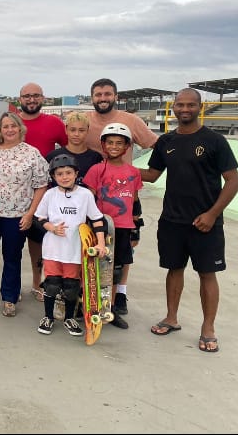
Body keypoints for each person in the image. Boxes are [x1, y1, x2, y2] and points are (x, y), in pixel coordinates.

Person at [141, 88, 238, 353]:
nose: (185, 109)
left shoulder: (215, 141)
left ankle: (208, 328)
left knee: (207, 274)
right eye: (180, 105)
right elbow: (151, 174)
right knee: (174, 270)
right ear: (174, 108)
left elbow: (233, 180)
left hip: (205, 222)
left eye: (190, 105)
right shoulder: (166, 141)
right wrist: (115, 168)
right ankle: (172, 318)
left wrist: (212, 214)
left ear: (199, 106)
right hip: (172, 220)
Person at [86, 78, 158, 316]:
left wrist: (150, 174)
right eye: (98, 94)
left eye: (107, 94)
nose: (103, 98)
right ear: (92, 97)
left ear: (115, 96)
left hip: (126, 199)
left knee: (124, 251)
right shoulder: (85, 121)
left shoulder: (131, 120)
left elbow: (158, 146)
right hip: (97, 197)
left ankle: (121, 294)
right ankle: (89, 293)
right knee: (95, 248)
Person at [0, 112, 48, 316]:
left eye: (13, 126)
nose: (9, 130)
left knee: (12, 257)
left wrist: (30, 214)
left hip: (17, 215)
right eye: (5, 126)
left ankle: (9, 297)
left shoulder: (32, 153)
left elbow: (41, 185)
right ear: (0, 129)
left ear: (20, 128)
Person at [34, 154, 107, 336]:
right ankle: (48, 317)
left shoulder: (85, 195)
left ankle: (69, 318)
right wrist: (51, 227)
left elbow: (98, 220)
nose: (64, 177)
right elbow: (39, 218)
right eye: (60, 174)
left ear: (76, 174)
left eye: (68, 172)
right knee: (51, 285)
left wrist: (100, 243)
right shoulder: (50, 195)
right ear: (53, 176)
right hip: (52, 249)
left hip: (75, 250)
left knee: (71, 287)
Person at [84, 123, 143, 329]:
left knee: (116, 270)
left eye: (119, 143)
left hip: (124, 227)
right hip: (101, 227)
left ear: (127, 147)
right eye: (110, 143)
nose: (114, 146)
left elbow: (135, 202)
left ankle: (109, 309)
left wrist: (136, 229)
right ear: (103, 145)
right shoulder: (96, 169)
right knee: (95, 267)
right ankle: (89, 305)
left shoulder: (134, 172)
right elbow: (88, 199)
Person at [13, 83, 68, 302]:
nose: (31, 99)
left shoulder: (54, 123)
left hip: (45, 194)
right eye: (26, 96)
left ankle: (38, 282)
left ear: (43, 98)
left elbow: (68, 149)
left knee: (40, 242)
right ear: (20, 99)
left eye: (35, 95)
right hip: (15, 195)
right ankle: (12, 285)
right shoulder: (13, 122)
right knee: (14, 246)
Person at [46, 111, 103, 188]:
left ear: (87, 131)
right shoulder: (53, 156)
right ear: (66, 130)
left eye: (81, 130)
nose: (76, 134)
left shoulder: (96, 158)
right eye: (73, 130)